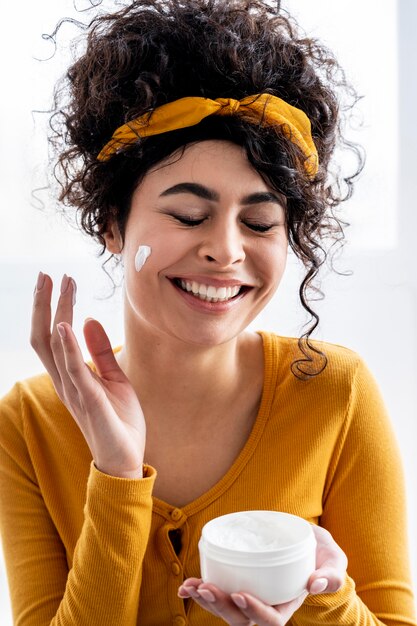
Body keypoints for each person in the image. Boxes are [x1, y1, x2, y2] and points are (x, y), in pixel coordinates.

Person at [0, 0, 415, 624]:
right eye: (189, 215)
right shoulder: (29, 422)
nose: (225, 249)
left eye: (259, 222)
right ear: (113, 224)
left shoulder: (336, 393)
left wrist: (326, 603)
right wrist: (115, 475)